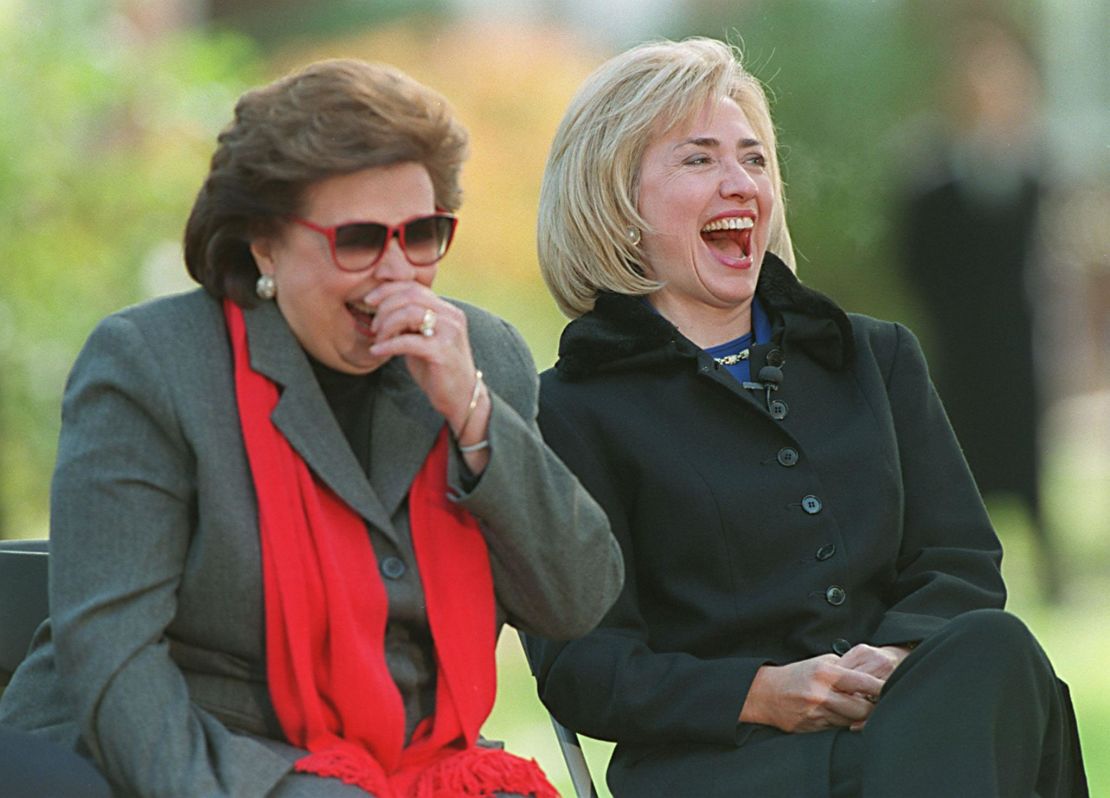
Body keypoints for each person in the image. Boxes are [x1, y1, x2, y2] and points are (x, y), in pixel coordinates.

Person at [0, 58, 623, 797]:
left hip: (413, 761)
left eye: (421, 234)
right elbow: (113, 660)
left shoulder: (481, 358)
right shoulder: (152, 365)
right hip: (188, 752)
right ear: (264, 243)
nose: (396, 272)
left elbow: (578, 601)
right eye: (358, 240)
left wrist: (474, 414)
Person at [525, 38, 1086, 797]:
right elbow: (584, 667)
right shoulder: (568, 410)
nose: (740, 184)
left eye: (754, 160)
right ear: (616, 203)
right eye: (699, 160)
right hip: (724, 765)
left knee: (997, 648)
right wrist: (763, 694)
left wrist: (887, 666)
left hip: (910, 726)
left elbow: (959, 565)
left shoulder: (875, 358)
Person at [898, 18, 1060, 602]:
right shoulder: (932, 171)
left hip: (1019, 340)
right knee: (959, 455)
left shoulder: (1032, 170)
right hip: (960, 343)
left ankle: (1050, 567)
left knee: (1028, 455)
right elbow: (914, 259)